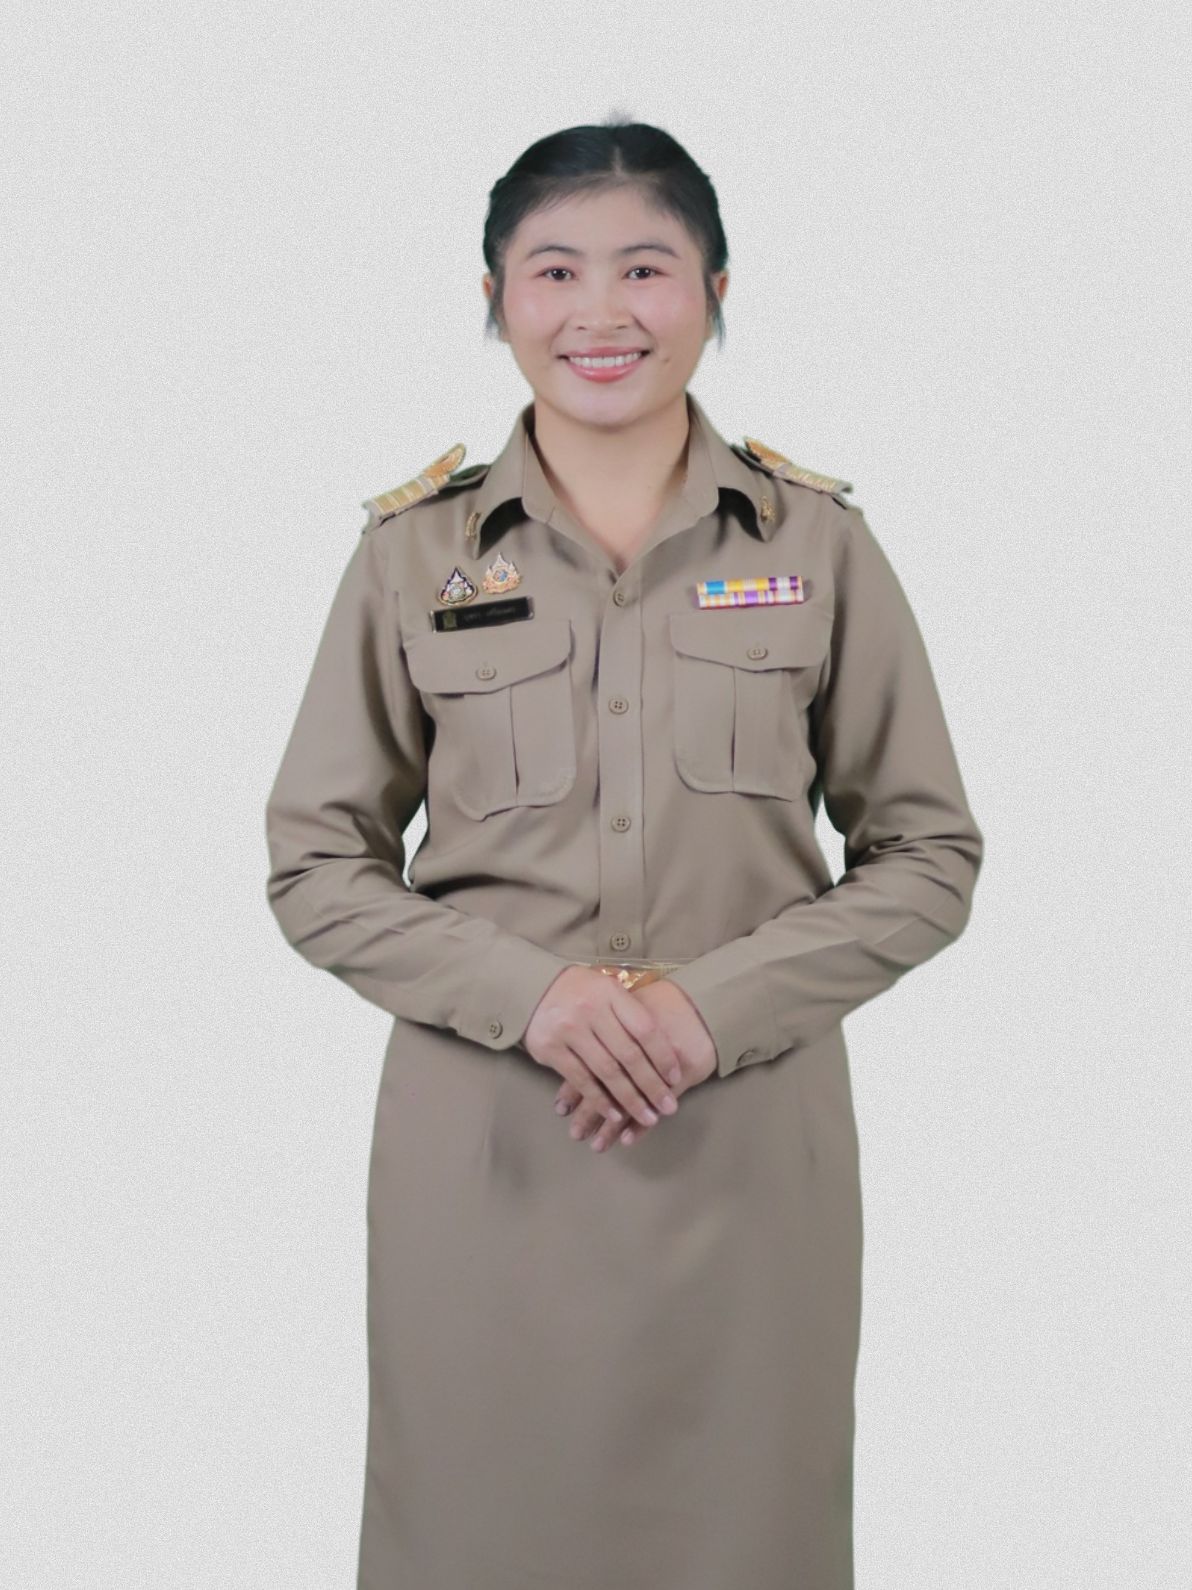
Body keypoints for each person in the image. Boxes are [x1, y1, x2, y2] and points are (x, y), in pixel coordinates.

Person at [264, 114, 984, 1590]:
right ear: (494, 297)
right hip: (489, 1152)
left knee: (749, 1538)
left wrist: (711, 1009)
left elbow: (926, 851)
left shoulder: (816, 545)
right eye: (554, 272)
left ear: (717, 289)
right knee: (473, 1531)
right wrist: (534, 997)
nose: (601, 313)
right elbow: (316, 862)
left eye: (646, 268)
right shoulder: (413, 555)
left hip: (746, 1151)